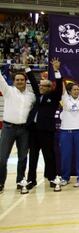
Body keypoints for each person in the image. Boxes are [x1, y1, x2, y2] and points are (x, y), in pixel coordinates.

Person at [0, 56, 36, 193]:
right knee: (2, 158)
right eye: (17, 80)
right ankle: (0, 183)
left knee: (22, 158)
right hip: (8, 129)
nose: (20, 81)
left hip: (24, 130)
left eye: (22, 79)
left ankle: (20, 181)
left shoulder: (31, 96)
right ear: (13, 81)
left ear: (25, 81)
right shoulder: (8, 91)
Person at [26, 56, 62, 189]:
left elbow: (58, 87)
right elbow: (33, 82)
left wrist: (56, 70)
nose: (40, 87)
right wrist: (27, 67)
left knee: (49, 155)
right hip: (33, 130)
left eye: (43, 86)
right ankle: (31, 180)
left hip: (46, 130)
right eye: (40, 85)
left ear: (49, 87)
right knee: (33, 156)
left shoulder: (54, 97)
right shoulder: (38, 95)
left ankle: (52, 178)